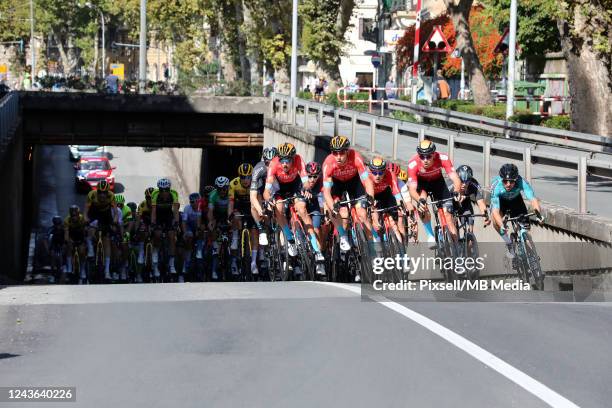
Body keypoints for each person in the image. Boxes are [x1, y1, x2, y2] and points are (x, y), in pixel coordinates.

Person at [264, 143, 325, 275]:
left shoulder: (298, 160)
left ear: (293, 158)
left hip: (295, 186)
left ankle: (316, 248)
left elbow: (305, 181)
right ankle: (290, 239)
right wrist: (269, 199)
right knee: (278, 209)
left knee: (302, 209)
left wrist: (306, 188)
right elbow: (266, 191)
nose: (285, 164)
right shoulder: (274, 165)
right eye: (282, 161)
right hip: (280, 188)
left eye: (288, 161)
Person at [322, 136, 376, 282]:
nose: (338, 157)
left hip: (354, 183)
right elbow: (326, 192)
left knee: (362, 214)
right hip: (337, 185)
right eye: (335, 153)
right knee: (342, 212)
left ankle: (372, 251)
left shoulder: (356, 157)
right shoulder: (328, 163)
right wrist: (333, 206)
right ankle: (343, 235)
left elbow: (366, 180)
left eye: (341, 153)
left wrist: (370, 197)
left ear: (347, 151)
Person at [407, 139, 462, 248]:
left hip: (438, 183)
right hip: (422, 185)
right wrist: (420, 201)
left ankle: (457, 251)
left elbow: (455, 178)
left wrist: (456, 191)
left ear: (434, 154)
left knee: (448, 216)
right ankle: (430, 235)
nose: (425, 160)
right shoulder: (413, 164)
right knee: (422, 205)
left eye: (428, 156)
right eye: (422, 156)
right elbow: (412, 189)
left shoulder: (443, 158)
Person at [490, 163, 543, 260]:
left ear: (516, 179)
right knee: (495, 222)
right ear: (502, 179)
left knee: (525, 228)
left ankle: (531, 252)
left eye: (511, 181)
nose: (508, 184)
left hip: (516, 201)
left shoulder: (521, 181)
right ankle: (509, 243)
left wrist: (538, 214)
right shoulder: (496, 186)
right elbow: (495, 211)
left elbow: (533, 199)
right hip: (501, 203)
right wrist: (501, 225)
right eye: (505, 181)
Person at [228, 163, 258, 277]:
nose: (246, 180)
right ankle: (236, 238)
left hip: (252, 206)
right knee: (236, 216)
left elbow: (259, 200)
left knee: (254, 232)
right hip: (239, 206)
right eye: (243, 177)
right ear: (239, 177)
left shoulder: (256, 182)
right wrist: (230, 214)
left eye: (248, 177)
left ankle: (254, 262)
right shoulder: (233, 184)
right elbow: (230, 202)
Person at [84, 180, 117, 280]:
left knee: (106, 240)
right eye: (100, 192)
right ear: (97, 191)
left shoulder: (111, 196)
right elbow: (86, 210)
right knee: (91, 228)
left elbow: (115, 212)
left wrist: (115, 221)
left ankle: (107, 271)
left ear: (108, 192)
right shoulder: (91, 195)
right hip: (94, 213)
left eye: (104, 193)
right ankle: (90, 248)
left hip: (106, 216)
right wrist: (86, 219)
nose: (102, 195)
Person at [151, 178, 180, 277]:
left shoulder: (174, 194)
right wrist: (153, 224)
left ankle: (171, 264)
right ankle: (155, 255)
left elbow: (175, 211)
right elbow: (154, 212)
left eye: (166, 190)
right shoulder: (155, 194)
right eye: (162, 190)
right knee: (157, 235)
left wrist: (176, 222)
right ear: (159, 190)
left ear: (169, 189)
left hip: (168, 215)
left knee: (172, 236)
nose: (164, 192)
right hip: (158, 215)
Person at [251, 147, 278, 246]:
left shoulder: (281, 168)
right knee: (254, 206)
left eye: (272, 163)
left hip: (274, 187)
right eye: (267, 163)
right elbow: (253, 197)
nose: (270, 166)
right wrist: (260, 210)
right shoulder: (258, 169)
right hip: (261, 188)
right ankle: (262, 229)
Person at [451, 165, 490, 233]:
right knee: (453, 227)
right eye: (461, 181)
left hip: (465, 203)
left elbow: (480, 202)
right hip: (452, 203)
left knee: (470, 222)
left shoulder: (473, 183)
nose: (464, 184)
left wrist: (485, 216)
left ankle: (470, 238)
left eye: (467, 182)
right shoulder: (451, 182)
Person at [64, 205, 88, 284]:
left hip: (80, 237)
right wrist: (68, 240)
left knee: (82, 252)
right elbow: (66, 233)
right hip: (72, 237)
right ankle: (69, 269)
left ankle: (82, 270)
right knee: (69, 247)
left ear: (78, 214)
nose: (74, 217)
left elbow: (85, 231)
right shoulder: (67, 220)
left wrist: (85, 240)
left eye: (75, 215)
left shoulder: (82, 219)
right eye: (72, 215)